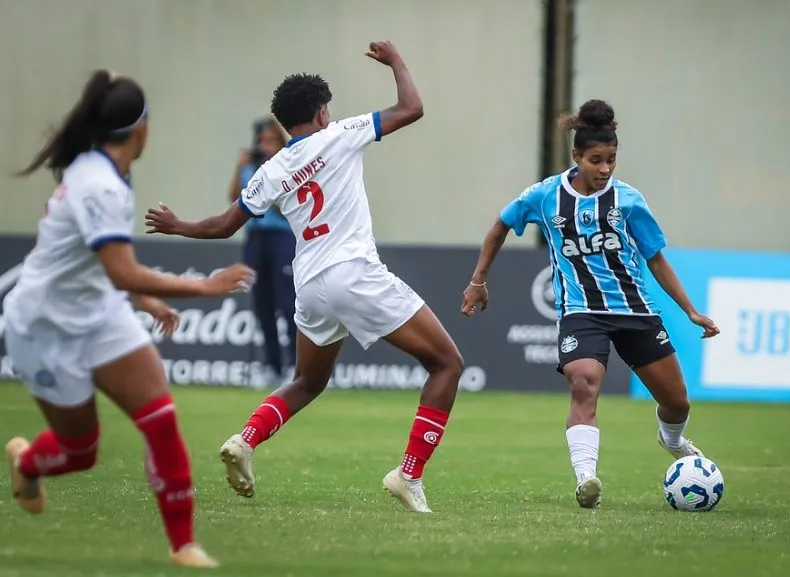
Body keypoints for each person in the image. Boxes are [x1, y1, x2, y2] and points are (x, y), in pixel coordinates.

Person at [144, 41, 464, 514]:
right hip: (354, 273)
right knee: (447, 364)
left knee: (307, 381)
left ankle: (245, 440)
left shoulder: (271, 171)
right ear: (320, 113)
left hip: (310, 285)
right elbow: (411, 108)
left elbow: (224, 225)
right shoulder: (342, 134)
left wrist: (179, 226)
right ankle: (408, 475)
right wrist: (396, 61)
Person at [3, 70, 255, 568]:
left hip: (98, 314)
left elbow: (99, 265)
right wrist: (201, 287)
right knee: (81, 452)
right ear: (141, 129)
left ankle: (184, 545)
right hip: (42, 327)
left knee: (160, 419)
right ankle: (26, 461)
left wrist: (147, 302)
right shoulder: (99, 183)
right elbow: (120, 271)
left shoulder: (108, 171)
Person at [460, 99, 720, 510]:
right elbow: (499, 227)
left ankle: (671, 440)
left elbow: (655, 258)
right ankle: (587, 478)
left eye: (612, 160)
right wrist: (478, 281)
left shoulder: (629, 200)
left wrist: (689, 310)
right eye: (596, 160)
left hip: (635, 311)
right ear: (576, 156)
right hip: (580, 312)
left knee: (676, 402)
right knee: (584, 383)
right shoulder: (544, 196)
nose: (604, 169)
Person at [228, 118, 296, 387]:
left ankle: (295, 365)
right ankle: (272, 366)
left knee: (288, 304)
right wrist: (241, 167)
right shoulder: (252, 169)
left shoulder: (286, 167)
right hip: (256, 238)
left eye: (271, 141)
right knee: (263, 305)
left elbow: (283, 208)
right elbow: (234, 199)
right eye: (262, 142)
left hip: (282, 237)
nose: (266, 146)